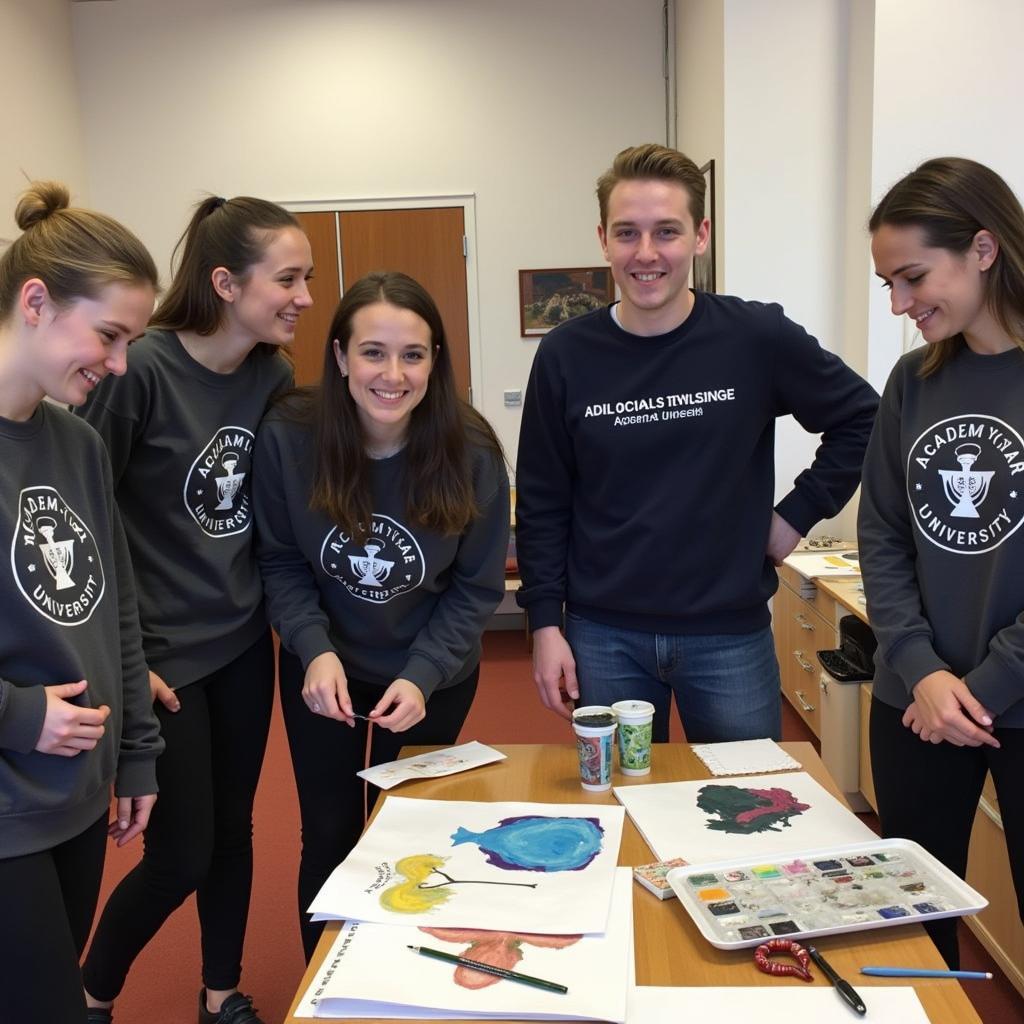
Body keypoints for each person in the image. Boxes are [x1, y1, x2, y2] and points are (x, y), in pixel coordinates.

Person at [516, 143, 879, 742]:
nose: (646, 253)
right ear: (604, 239)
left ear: (701, 235)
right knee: (624, 808)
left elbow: (866, 419)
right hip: (603, 635)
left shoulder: (754, 337)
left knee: (747, 813)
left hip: (727, 635)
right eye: (627, 233)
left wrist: (795, 515)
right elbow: (543, 500)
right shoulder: (566, 355)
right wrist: (543, 625)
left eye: (667, 231)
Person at [79, 197, 313, 1024]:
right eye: (288, 278)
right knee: (179, 852)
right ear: (225, 282)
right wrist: (128, 662)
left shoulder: (272, 376)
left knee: (235, 835)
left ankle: (220, 996)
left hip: (244, 643)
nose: (304, 296)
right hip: (163, 658)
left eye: (306, 278)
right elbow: (87, 516)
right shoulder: (139, 370)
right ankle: (92, 992)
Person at [253, 270, 509, 961]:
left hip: (433, 675)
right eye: (372, 352)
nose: (392, 374)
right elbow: (279, 561)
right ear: (339, 357)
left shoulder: (474, 450)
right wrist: (314, 648)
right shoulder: (290, 438)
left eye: (414, 354)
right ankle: (329, 989)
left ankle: (397, 983)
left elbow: (476, 588)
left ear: (435, 361)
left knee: (406, 837)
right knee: (330, 836)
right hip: (323, 672)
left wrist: (425, 674)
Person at [0, 182, 163, 1024]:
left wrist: (135, 752)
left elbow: (116, 612)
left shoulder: (80, 442)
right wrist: (16, 714)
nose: (119, 363)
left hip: (77, 793)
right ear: (36, 303)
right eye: (108, 335)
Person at [859, 156, 1024, 969]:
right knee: (914, 926)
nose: (899, 304)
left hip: (1010, 698)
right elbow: (883, 535)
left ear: (984, 249)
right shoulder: (913, 381)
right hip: (915, 703)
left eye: (913, 277)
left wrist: (982, 689)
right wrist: (920, 669)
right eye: (889, 283)